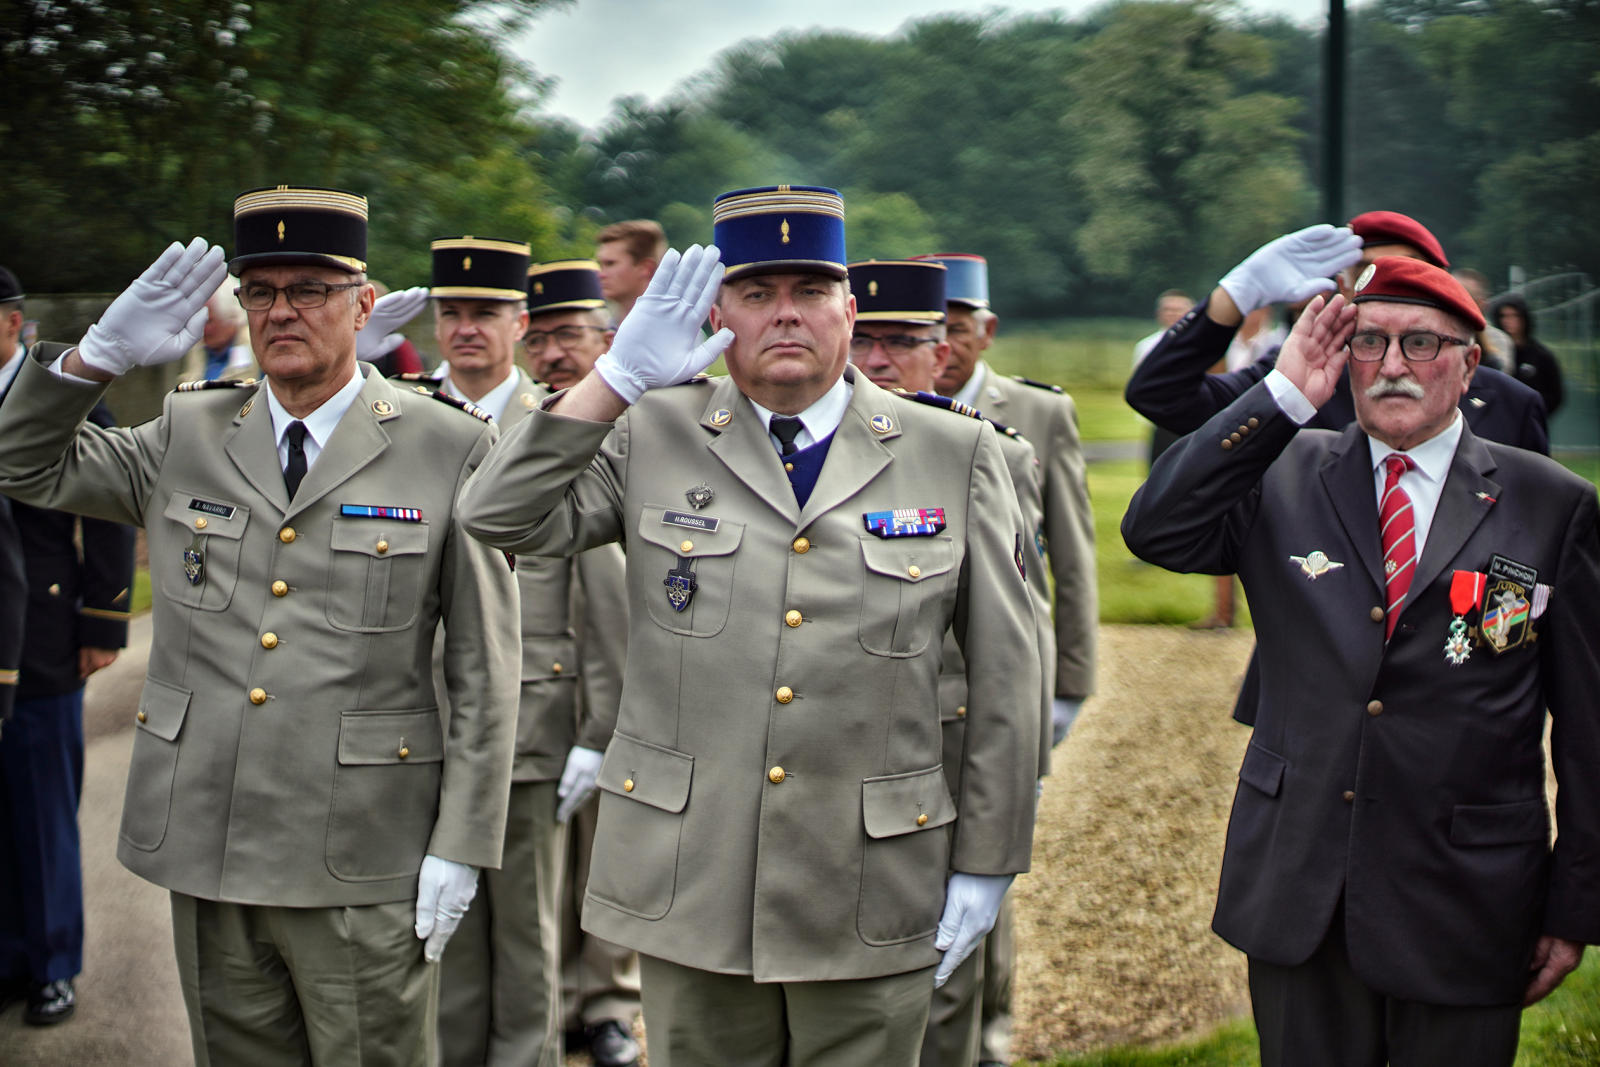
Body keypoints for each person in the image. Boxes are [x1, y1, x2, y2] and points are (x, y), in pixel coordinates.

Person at [457, 185, 1043, 1067]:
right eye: (757, 293)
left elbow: (1006, 679)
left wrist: (989, 859)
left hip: (872, 877)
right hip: (694, 872)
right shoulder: (653, 429)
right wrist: (613, 380)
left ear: (848, 308)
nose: (785, 316)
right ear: (716, 311)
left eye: (809, 292)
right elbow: (495, 516)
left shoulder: (956, 453)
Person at [0, 186, 519, 1065]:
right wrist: (94, 359)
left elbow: (484, 667)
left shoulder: (448, 445)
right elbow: (21, 462)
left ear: (361, 302)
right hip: (212, 834)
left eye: (310, 289)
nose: (284, 311)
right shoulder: (190, 429)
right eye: (262, 290)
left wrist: (464, 842)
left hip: (363, 848)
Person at [1122, 257, 1600, 1067]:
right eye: (1370, 343)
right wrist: (1281, 396)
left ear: (1469, 360)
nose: (1394, 365)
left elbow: (1588, 728)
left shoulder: (1547, 503)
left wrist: (1576, 902)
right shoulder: (1286, 468)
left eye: (1422, 343)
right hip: (1302, 884)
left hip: (1469, 895)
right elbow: (1157, 528)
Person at [416, 241, 630, 1067]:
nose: (466, 329)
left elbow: (604, 594)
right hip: (423, 724)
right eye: (452, 313)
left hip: (530, 727)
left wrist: (598, 728)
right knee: (447, 938)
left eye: (485, 313)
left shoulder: (558, 428)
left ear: (519, 323)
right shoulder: (406, 421)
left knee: (527, 938)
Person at [910, 251, 1096, 1067]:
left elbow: (1070, 555)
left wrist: (1068, 684)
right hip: (915, 672)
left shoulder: (1033, 414)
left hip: (1001, 669)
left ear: (985, 330)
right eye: (933, 329)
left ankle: (985, 1028)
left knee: (988, 852)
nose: (944, 347)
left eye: (956, 329)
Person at [1125, 211, 1550, 455]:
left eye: (1406, 274)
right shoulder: (1298, 382)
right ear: (1341, 288)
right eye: (1365, 274)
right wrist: (1235, 295)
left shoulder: (1509, 404)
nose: (1384, 290)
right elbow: (1160, 394)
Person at [1, 263, 136, 1026]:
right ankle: (8, 955)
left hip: (48, 632)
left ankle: (54, 962)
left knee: (44, 804)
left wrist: (105, 620)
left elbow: (112, 511)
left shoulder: (60, 388)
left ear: (14, 322)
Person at [519, 259, 642, 1067]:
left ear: (605, 339)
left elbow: (609, 596)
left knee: (603, 862)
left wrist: (604, 726)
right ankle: (556, 1003)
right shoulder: (525, 428)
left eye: (570, 333)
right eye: (541, 336)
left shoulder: (619, 429)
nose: (555, 351)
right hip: (527, 697)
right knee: (539, 877)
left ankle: (606, 1004)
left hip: (592, 695)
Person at [1489, 292, 1564, 418]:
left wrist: (1533, 413)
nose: (1509, 321)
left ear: (1524, 318)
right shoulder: (1493, 353)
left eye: (1515, 316)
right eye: (1504, 316)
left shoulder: (1541, 355)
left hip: (1530, 420)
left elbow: (1555, 396)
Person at [179, 277, 256, 381]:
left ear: (232, 318)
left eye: (208, 321)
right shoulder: (197, 350)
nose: (202, 329)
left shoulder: (256, 348)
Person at [594, 220, 665, 325]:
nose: (600, 274)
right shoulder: (601, 327)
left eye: (610, 264)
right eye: (600, 265)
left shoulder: (670, 327)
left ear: (646, 268)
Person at [1451, 268, 1515, 374]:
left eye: (1464, 298)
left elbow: (1498, 381)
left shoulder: (1498, 341)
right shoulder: (1433, 331)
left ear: (1482, 304)